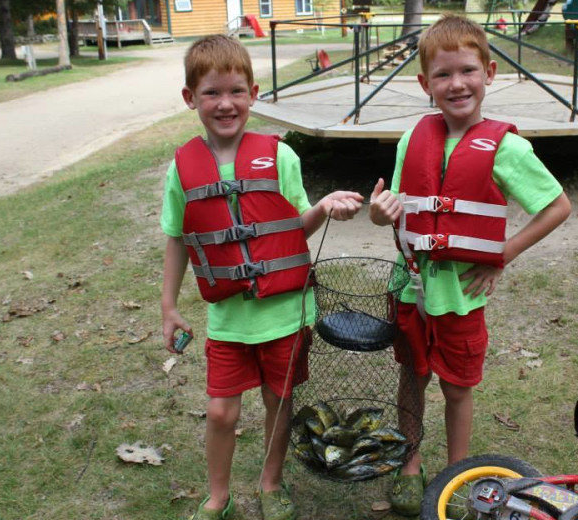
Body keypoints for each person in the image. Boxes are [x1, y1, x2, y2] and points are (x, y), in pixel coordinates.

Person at [368, 14, 572, 517]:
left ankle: (456, 474)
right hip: (411, 287)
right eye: (442, 75)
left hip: (461, 295)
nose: (456, 84)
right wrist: (379, 212)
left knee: (458, 388)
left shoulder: (508, 147)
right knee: (411, 378)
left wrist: (503, 254)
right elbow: (392, 206)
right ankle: (411, 462)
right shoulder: (410, 139)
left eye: (467, 71)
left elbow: (557, 206)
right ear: (425, 84)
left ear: (489, 72)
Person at [160, 35, 363, 520]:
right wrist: (168, 306)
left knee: (279, 401)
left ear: (253, 93)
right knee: (220, 412)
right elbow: (177, 239)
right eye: (211, 93)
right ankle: (217, 495)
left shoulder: (281, 157)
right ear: (191, 98)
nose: (225, 104)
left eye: (236, 91)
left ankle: (271, 484)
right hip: (230, 319)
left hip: (285, 314)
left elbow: (295, 227)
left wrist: (321, 207)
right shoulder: (180, 169)